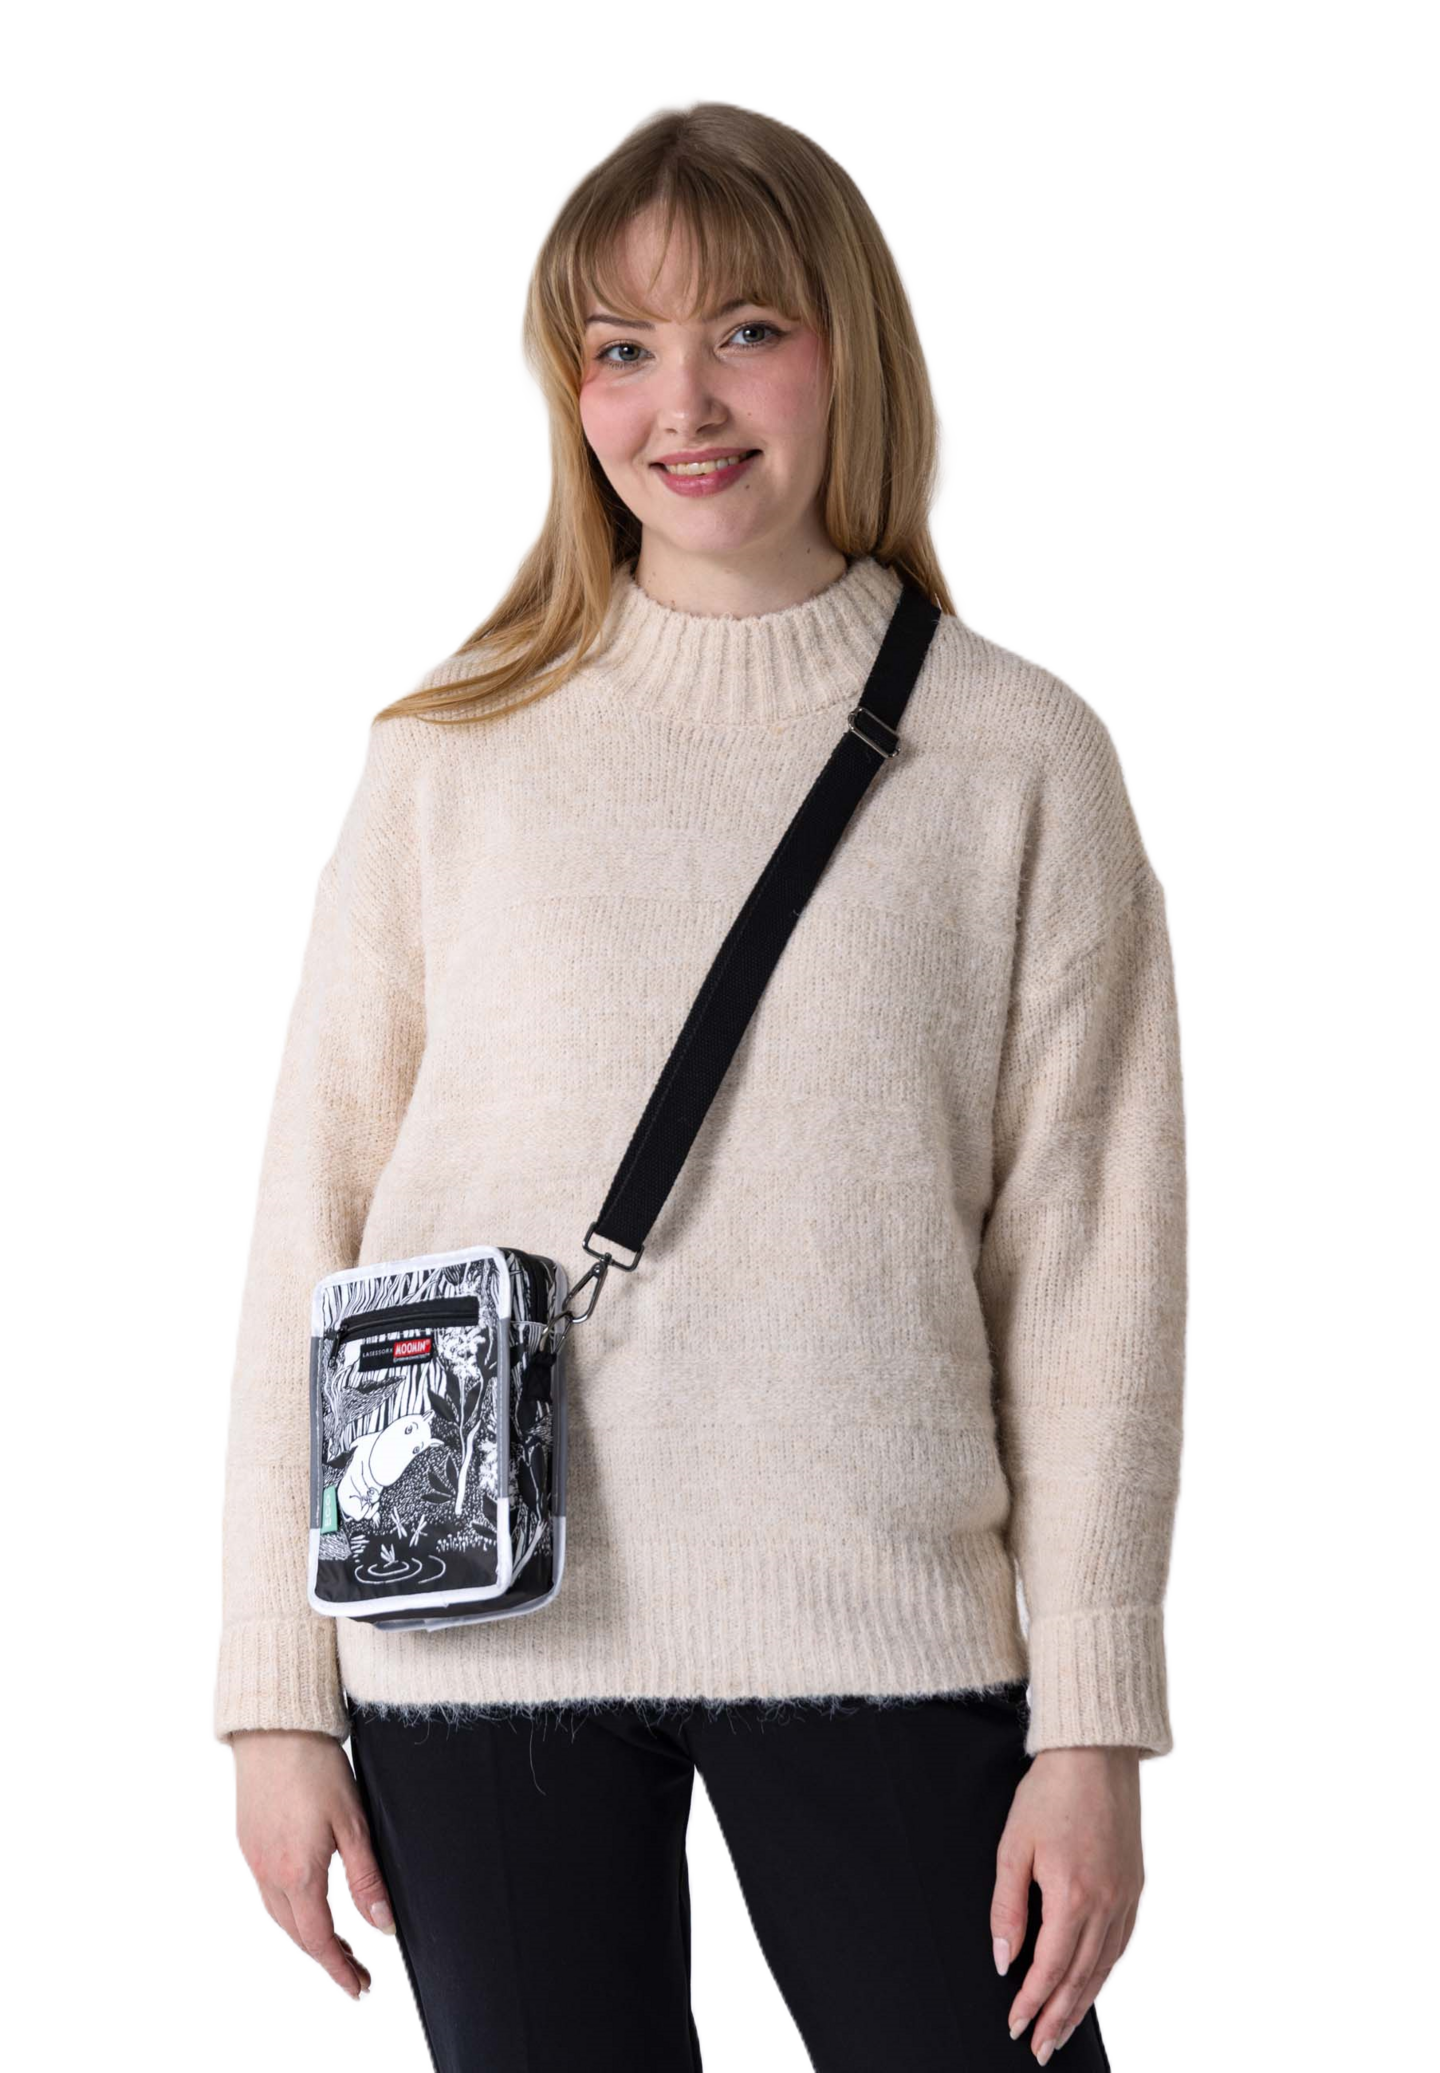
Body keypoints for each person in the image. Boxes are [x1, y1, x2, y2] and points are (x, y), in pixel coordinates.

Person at [211, 95, 1188, 2073]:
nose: (686, 403)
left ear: (852, 349)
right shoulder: (448, 746)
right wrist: (274, 1701)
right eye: (622, 347)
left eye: (748, 329)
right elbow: (309, 1221)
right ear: (564, 388)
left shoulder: (1018, 755)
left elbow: (1098, 1269)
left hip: (886, 1617)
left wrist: (1095, 1724)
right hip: (472, 1637)